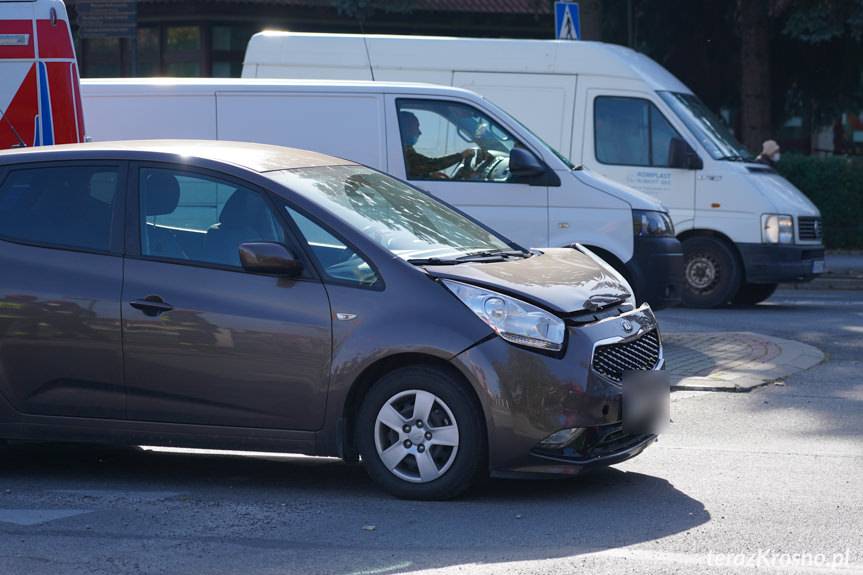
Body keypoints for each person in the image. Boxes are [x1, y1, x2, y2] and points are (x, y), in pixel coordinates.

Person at [399, 111, 475, 179]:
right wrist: (461, 155)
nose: (419, 132)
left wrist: (429, 175)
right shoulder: (401, 151)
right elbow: (431, 164)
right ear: (405, 129)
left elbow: (415, 170)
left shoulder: (404, 149)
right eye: (415, 127)